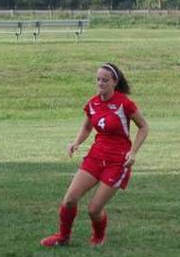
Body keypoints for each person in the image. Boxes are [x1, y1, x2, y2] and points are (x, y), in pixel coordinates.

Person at [40, 63, 149, 247]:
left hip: (117, 162)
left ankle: (98, 238)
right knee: (69, 200)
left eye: (105, 80)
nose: (100, 83)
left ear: (115, 82)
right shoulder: (93, 103)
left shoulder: (124, 103)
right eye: (98, 79)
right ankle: (63, 237)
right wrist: (76, 142)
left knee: (94, 209)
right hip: (95, 157)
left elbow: (144, 127)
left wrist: (133, 152)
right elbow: (86, 127)